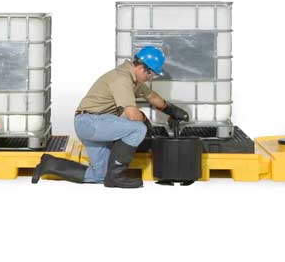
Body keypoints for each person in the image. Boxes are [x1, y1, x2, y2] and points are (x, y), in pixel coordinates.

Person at [32, 46, 189, 188]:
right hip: (90, 123)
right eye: (151, 75)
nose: (150, 78)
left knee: (100, 175)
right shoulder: (122, 79)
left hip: (94, 123)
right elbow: (132, 115)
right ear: (142, 68)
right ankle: (116, 176)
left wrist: (172, 111)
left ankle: (50, 164)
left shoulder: (133, 80)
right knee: (138, 128)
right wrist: (145, 121)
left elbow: (152, 97)